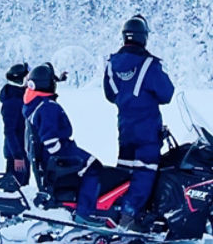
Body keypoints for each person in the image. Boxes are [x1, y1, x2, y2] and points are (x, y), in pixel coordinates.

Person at [103, 14, 175, 232]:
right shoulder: (149, 64)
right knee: (145, 171)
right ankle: (130, 215)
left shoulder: (112, 64)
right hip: (147, 127)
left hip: (125, 126)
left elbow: (110, 94)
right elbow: (167, 93)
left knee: (125, 170)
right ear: (144, 37)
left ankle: (115, 211)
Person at [23, 63, 106, 227]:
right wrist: (65, 157)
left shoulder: (35, 104)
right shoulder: (47, 107)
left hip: (53, 155)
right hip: (60, 154)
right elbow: (51, 141)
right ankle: (84, 212)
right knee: (93, 167)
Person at [0, 62, 30, 188]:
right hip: (16, 152)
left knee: (22, 185)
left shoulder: (19, 94)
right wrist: (17, 155)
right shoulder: (12, 101)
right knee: (16, 187)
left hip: (23, 149)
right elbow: (9, 131)